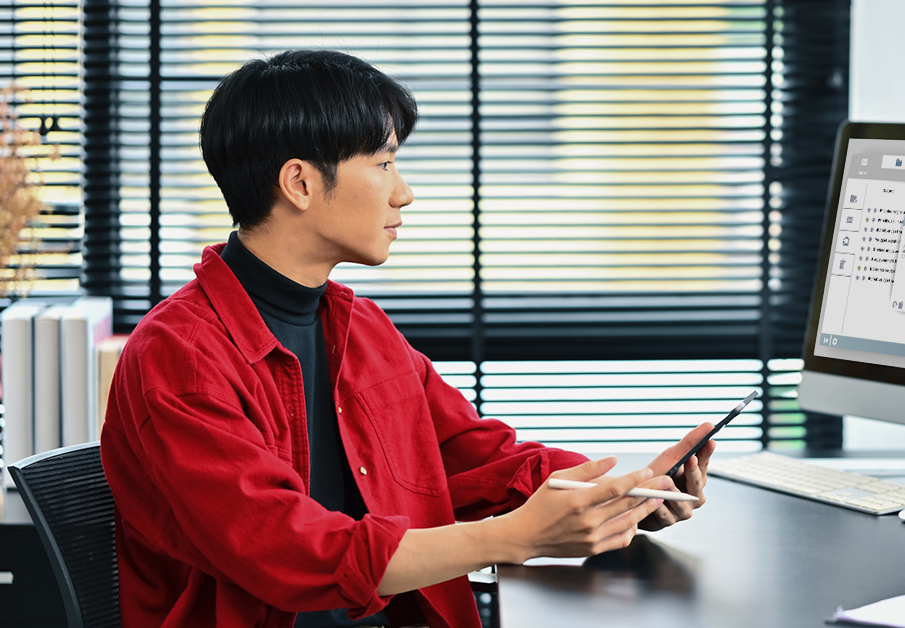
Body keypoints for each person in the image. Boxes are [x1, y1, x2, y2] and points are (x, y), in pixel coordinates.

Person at [99, 49, 717, 628]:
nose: (405, 192)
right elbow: (288, 550)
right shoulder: (179, 356)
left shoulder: (362, 328)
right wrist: (517, 536)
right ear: (300, 184)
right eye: (384, 162)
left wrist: (619, 496)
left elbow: (480, 460)